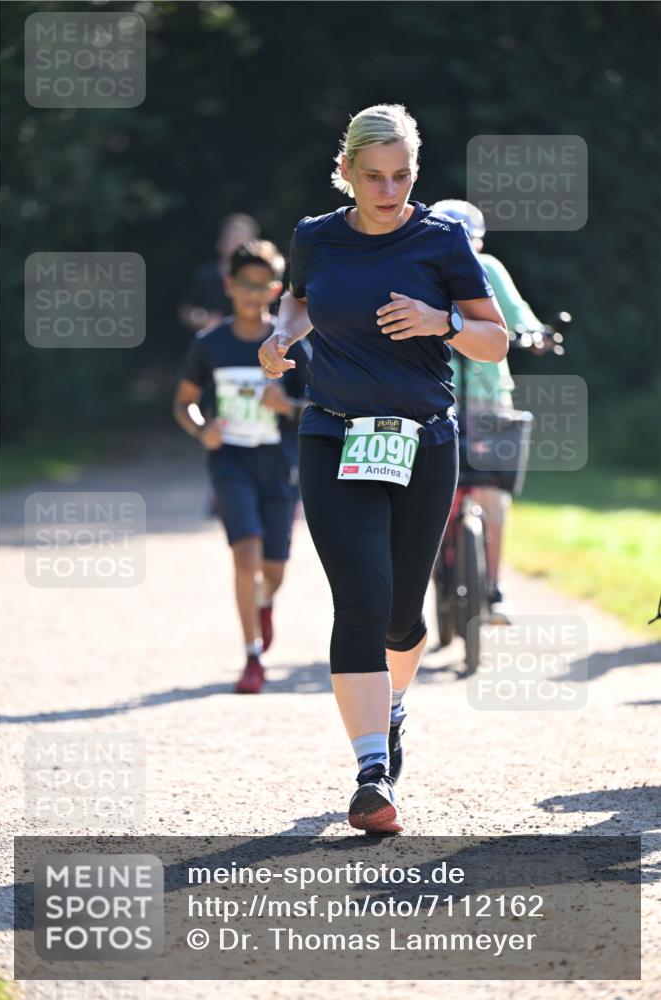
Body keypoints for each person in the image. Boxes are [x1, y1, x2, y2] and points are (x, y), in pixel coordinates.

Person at [258, 104, 508, 833]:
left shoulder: (442, 240)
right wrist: (280, 340)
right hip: (331, 436)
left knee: (402, 614)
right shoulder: (315, 238)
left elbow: (494, 341)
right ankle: (371, 775)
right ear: (346, 173)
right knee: (361, 598)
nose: (389, 189)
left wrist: (444, 324)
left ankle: (393, 706)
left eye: (402, 176)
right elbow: (298, 305)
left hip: (422, 442)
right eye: (374, 176)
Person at [173, 240, 309, 694]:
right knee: (244, 555)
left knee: (274, 569)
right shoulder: (210, 344)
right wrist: (201, 429)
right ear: (229, 286)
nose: (255, 293)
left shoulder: (290, 343)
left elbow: (322, 405)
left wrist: (286, 403)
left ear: (276, 289)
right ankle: (252, 657)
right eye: (246, 284)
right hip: (230, 462)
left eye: (265, 285)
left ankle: (265, 602)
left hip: (280, 466)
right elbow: (186, 403)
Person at [432, 200, 545, 625]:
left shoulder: (489, 270)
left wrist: (533, 334)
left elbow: (518, 314)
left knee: (494, 495)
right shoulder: (424, 271)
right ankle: (429, 570)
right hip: (436, 394)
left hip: (487, 395)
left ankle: (494, 587)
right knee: (428, 494)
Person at [178, 213, 260, 334]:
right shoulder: (204, 275)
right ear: (220, 242)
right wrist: (203, 319)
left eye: (239, 240)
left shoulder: (260, 279)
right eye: (229, 239)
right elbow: (186, 309)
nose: (233, 245)